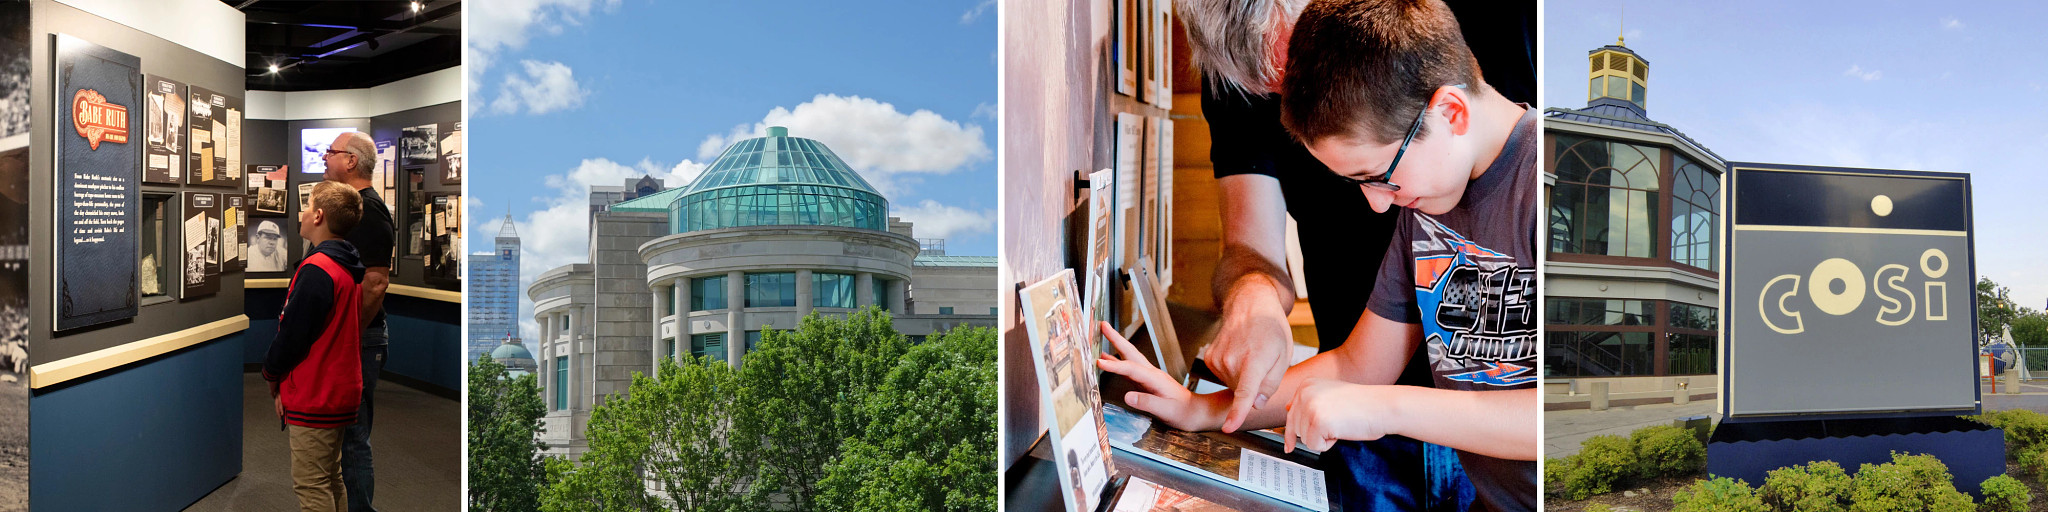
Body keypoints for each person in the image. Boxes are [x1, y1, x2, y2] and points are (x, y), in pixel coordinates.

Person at [1105, 0, 1536, 510]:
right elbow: (1357, 365)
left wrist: (1386, 408)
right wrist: (1202, 410)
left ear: (1450, 113)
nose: (1377, 204)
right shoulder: (1422, 203)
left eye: (1377, 175)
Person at [263, 180, 366, 512]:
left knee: (310, 485)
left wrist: (271, 374)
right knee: (331, 476)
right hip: (340, 390)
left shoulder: (318, 269)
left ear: (319, 216)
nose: (303, 214)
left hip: (316, 391)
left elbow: (293, 334)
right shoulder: (347, 266)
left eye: (307, 207)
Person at [322, 131, 395, 512]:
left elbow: (376, 282)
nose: (324, 158)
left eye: (330, 152)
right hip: (354, 338)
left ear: (350, 161)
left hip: (360, 339)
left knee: (353, 438)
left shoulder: (370, 210)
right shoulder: (354, 207)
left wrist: (346, 335)